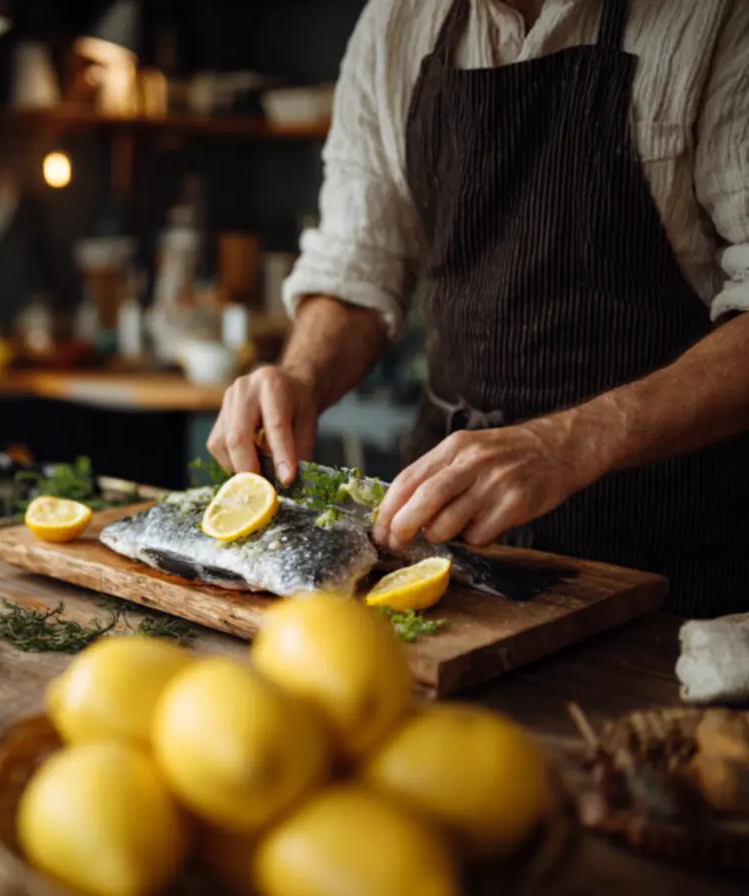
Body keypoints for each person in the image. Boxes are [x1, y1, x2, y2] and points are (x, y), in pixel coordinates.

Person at [207, 0, 749, 618]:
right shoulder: (397, 21)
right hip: (443, 534)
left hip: (668, 541)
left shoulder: (719, 18)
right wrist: (304, 373)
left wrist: (569, 442)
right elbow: (358, 262)